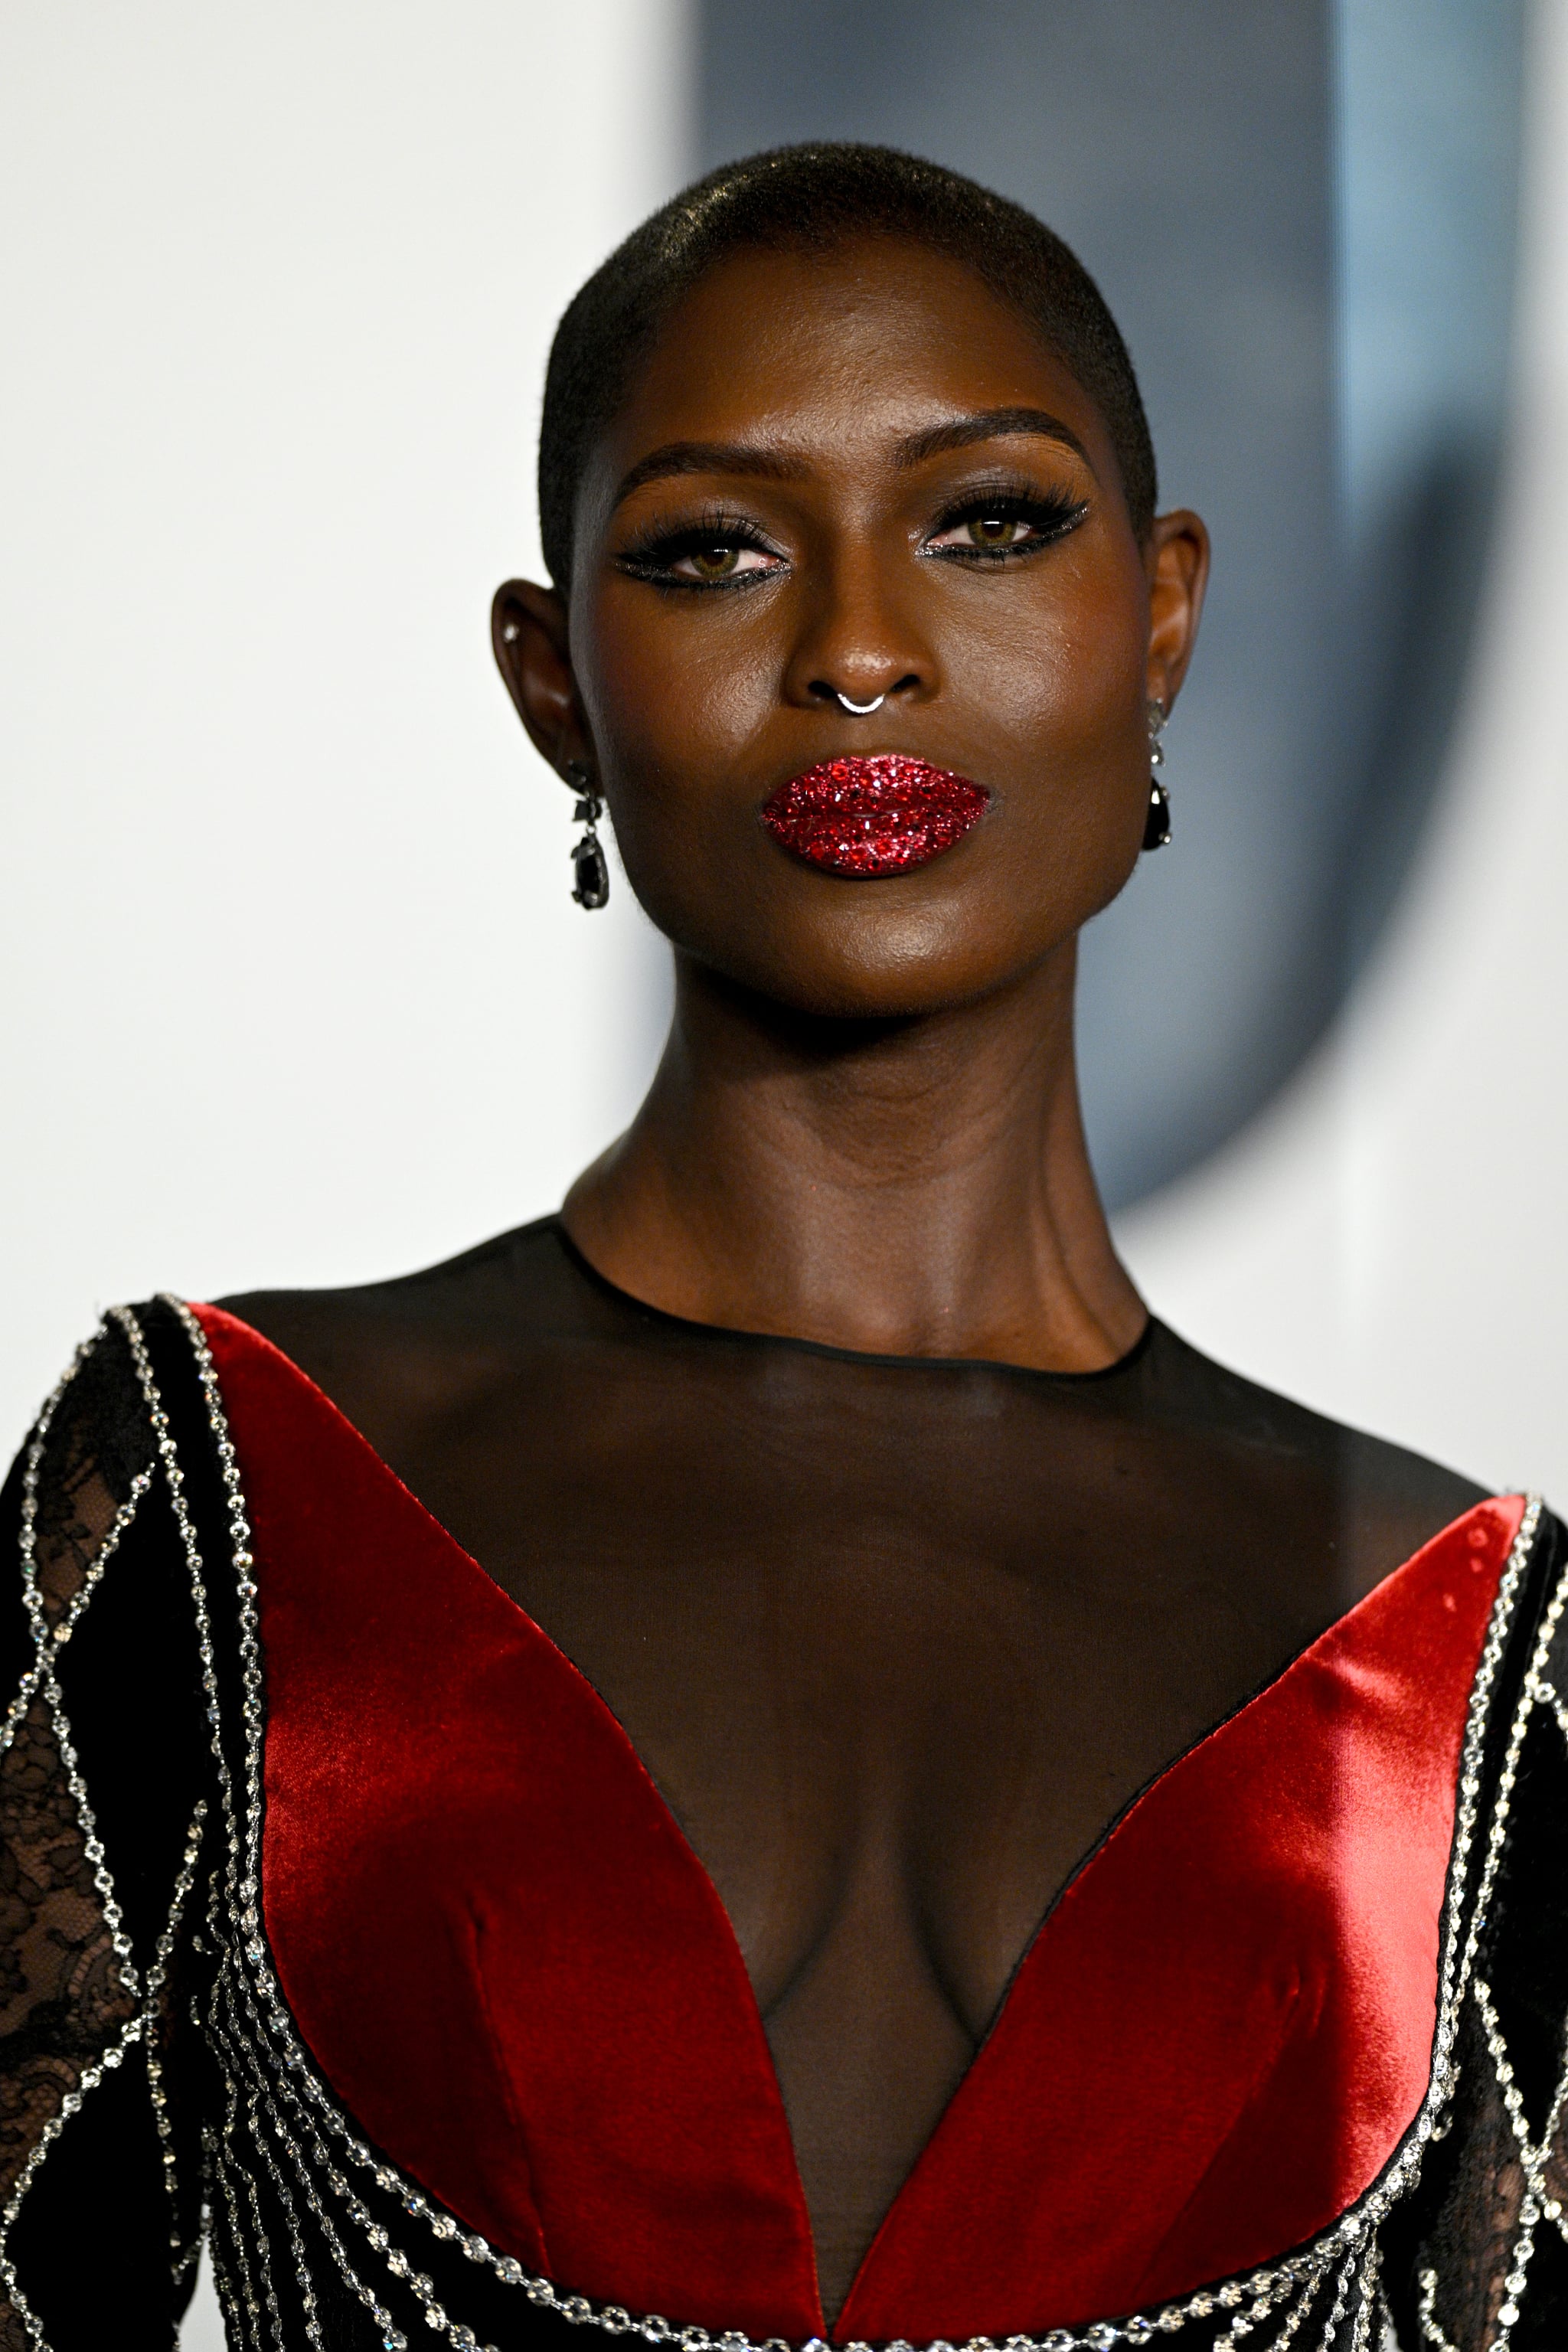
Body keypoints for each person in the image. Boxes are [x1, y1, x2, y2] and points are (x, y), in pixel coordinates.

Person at [1, 145, 1562, 2352]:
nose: (855, 649)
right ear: (553, 683)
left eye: (989, 522)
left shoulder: (1462, 1647)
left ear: (1165, 617)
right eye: (715, 550)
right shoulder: (220, 1487)